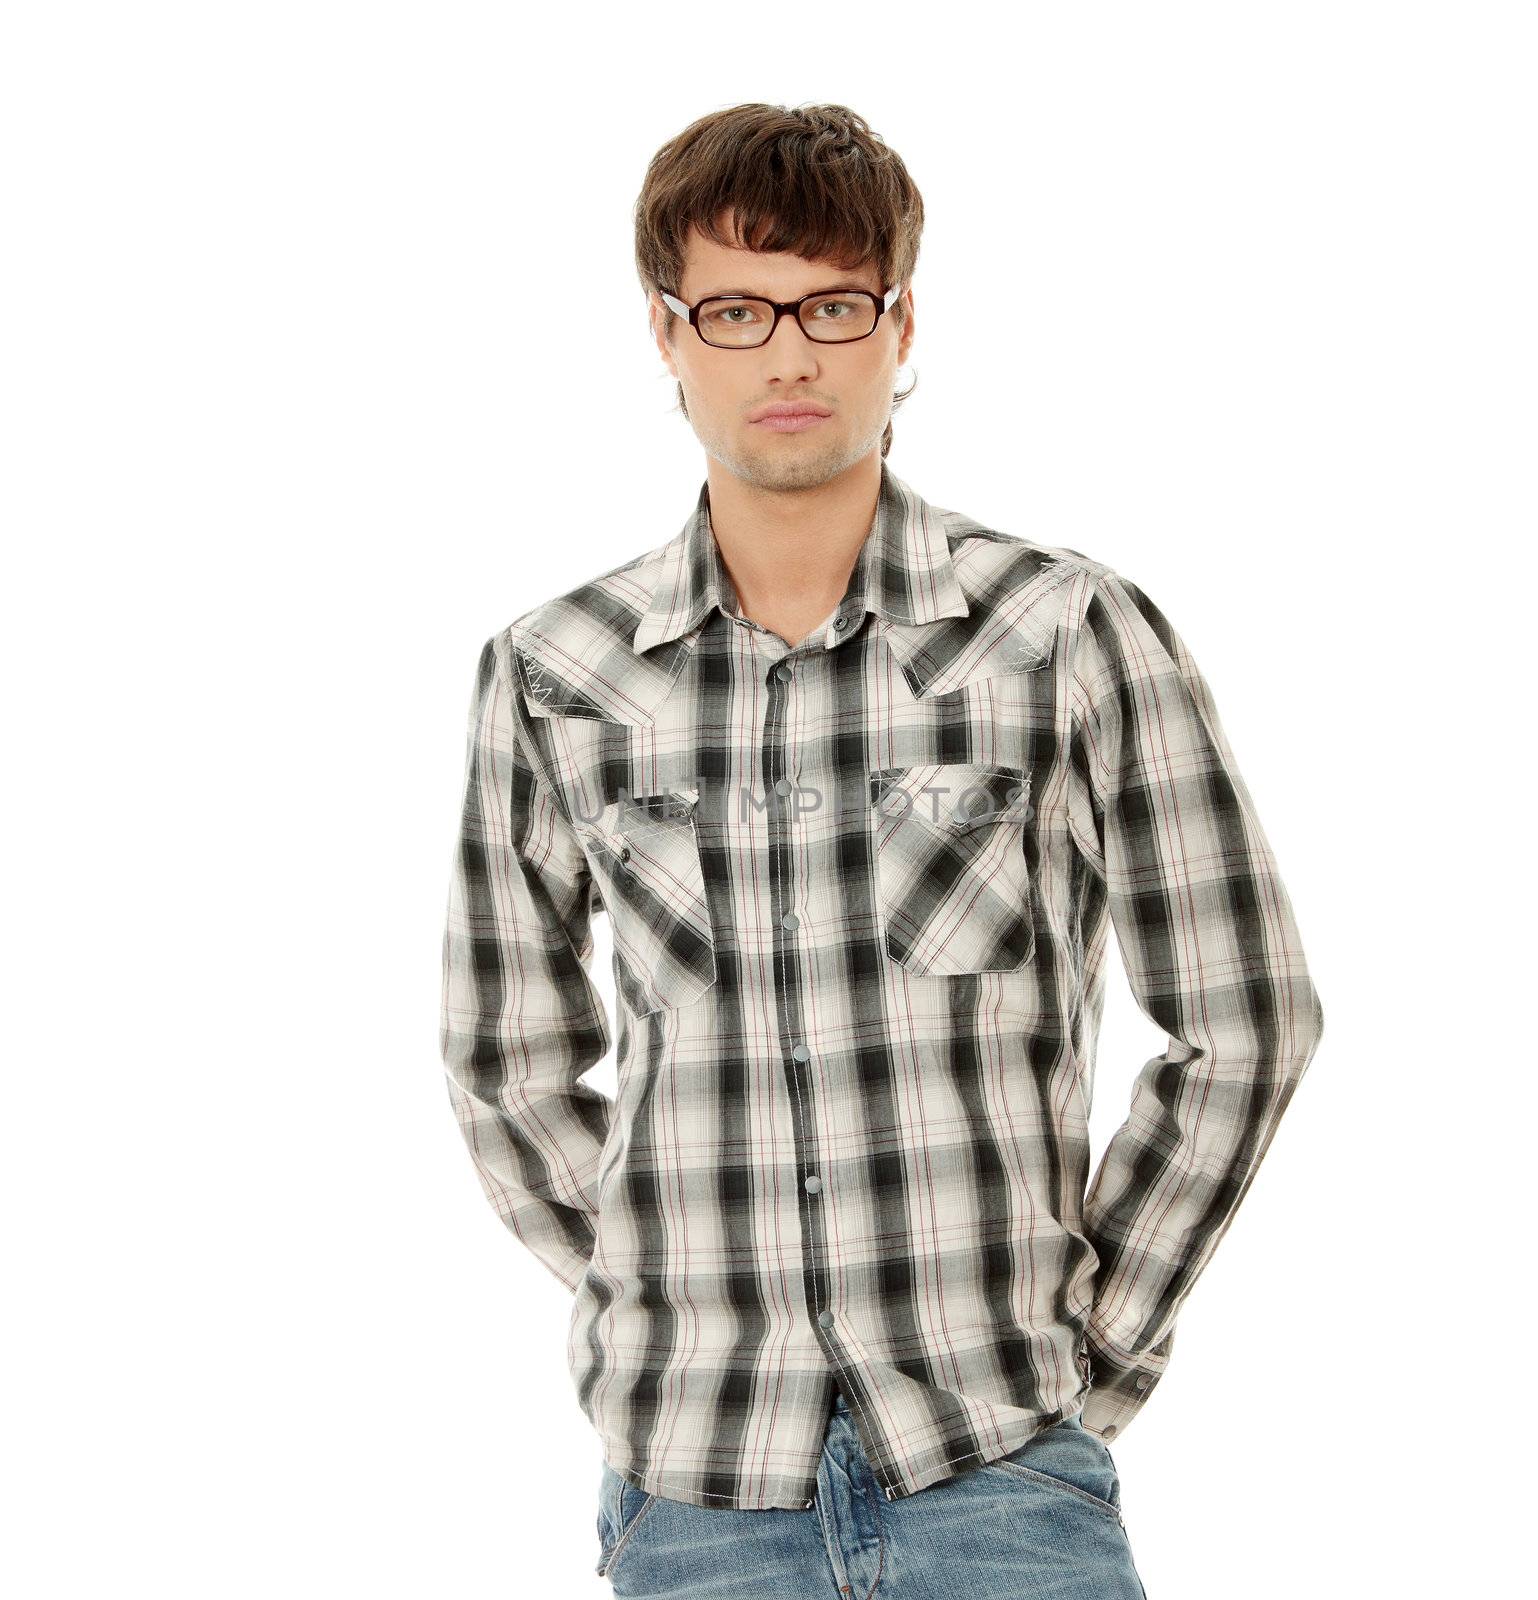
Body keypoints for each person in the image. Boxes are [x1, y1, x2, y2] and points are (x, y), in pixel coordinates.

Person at [439, 101, 1324, 1599]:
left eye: (833, 304)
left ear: (901, 320)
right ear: (666, 335)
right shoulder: (554, 670)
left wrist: (1090, 1347)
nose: (788, 354)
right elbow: (506, 1063)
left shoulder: (1066, 633)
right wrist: (665, 1295)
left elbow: (1249, 1024)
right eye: (735, 309)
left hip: (1002, 1476)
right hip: (696, 1495)